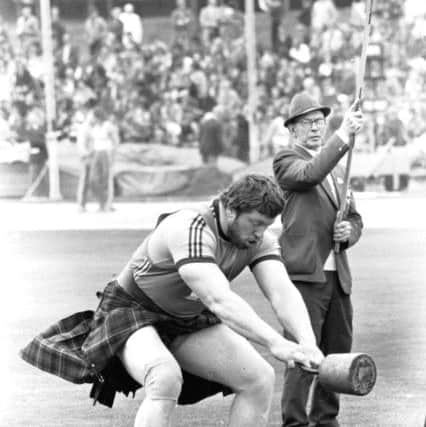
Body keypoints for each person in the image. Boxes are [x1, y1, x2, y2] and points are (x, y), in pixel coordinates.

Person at [21, 174, 324, 427]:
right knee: (164, 376)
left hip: (185, 319)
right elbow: (219, 300)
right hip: (133, 310)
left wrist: (307, 342)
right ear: (230, 210)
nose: (261, 233)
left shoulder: (257, 239)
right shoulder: (190, 227)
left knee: (259, 378)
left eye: (267, 224)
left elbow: (282, 292)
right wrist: (276, 342)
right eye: (256, 222)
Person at [272, 92, 364, 427]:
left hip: (337, 277)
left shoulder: (340, 170)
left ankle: (327, 419)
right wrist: (343, 135)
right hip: (304, 277)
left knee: (337, 354)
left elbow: (355, 218)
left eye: (320, 122)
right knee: (303, 355)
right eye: (307, 123)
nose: (315, 128)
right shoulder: (286, 161)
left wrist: (348, 233)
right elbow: (310, 173)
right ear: (292, 130)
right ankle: (294, 422)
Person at [76, 106, 119, 212]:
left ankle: (105, 204)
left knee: (105, 179)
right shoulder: (88, 127)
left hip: (104, 153)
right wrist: (85, 154)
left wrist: (112, 154)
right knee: (92, 180)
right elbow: (82, 142)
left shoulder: (107, 126)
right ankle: (85, 203)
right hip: (92, 154)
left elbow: (115, 141)